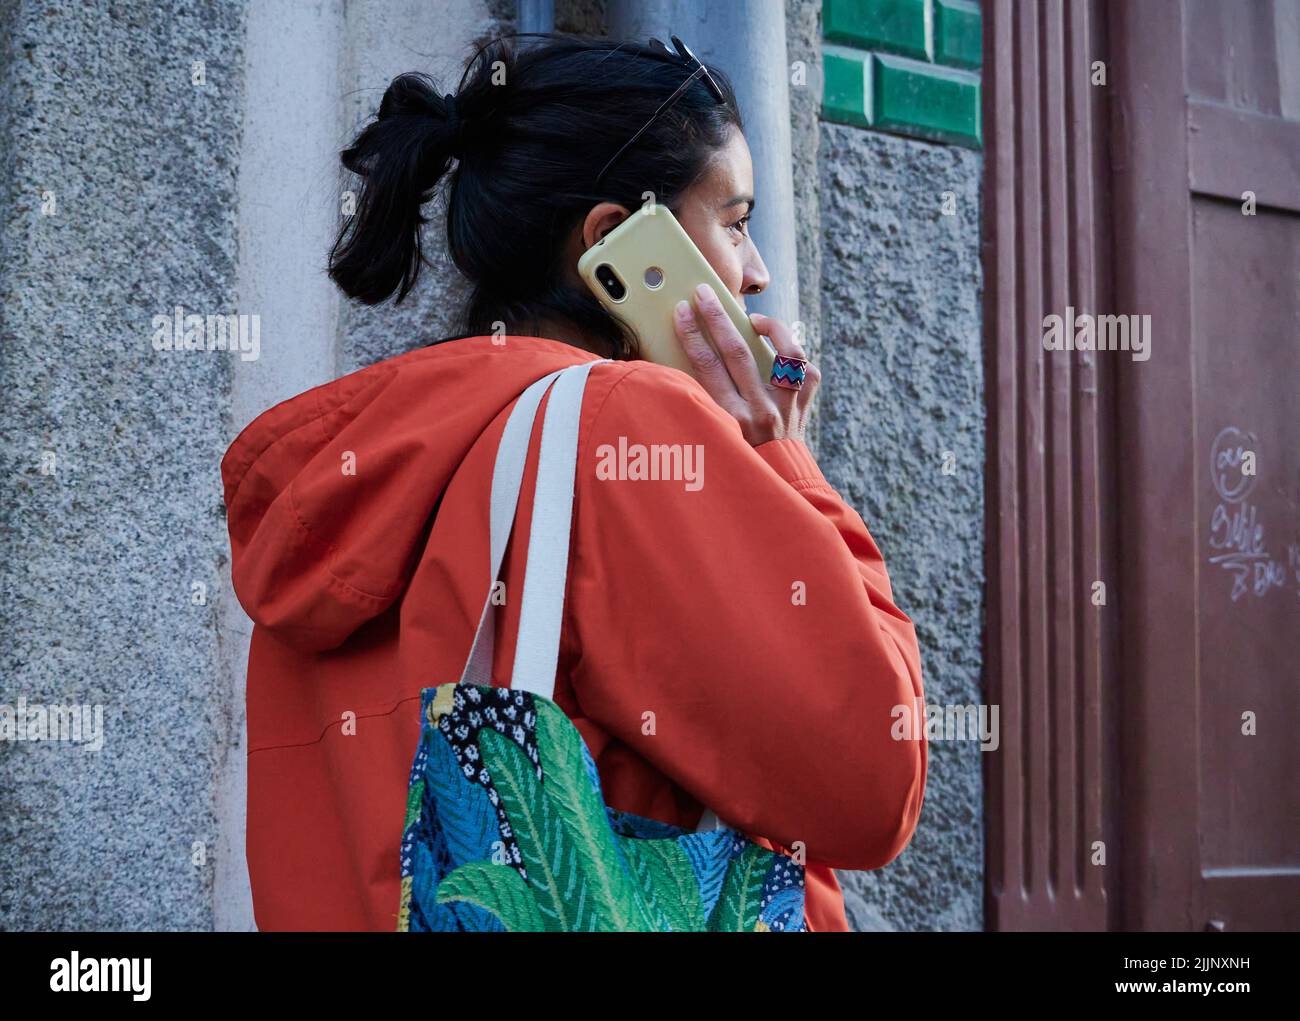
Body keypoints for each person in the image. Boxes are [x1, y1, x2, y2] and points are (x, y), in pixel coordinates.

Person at [221, 32, 926, 932]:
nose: (756, 273)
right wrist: (782, 466)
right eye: (736, 221)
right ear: (613, 246)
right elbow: (874, 781)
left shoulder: (338, 490)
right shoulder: (628, 430)